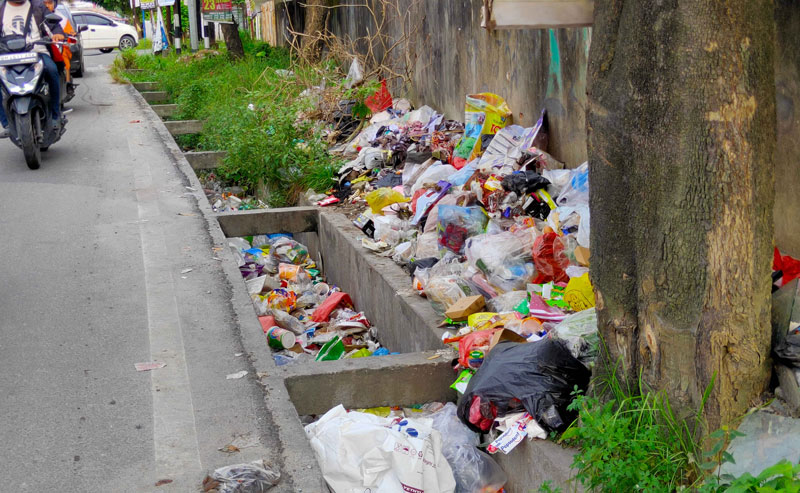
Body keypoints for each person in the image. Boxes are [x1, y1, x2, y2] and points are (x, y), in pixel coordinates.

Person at [0, 0, 65, 138]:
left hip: (37, 51)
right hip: (6, 55)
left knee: (52, 71)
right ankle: (5, 122)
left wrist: (58, 33)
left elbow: (54, 25)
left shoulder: (38, 6)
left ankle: (55, 115)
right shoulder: (0, 8)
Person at [42, 0, 74, 95]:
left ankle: (67, 83)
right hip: (37, 48)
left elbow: (69, 33)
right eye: (44, 3)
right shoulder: (36, 15)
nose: (47, 6)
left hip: (57, 46)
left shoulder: (62, 19)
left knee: (62, 60)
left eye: (50, 3)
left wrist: (63, 36)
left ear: (54, 4)